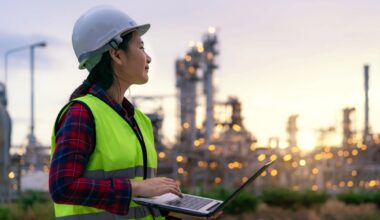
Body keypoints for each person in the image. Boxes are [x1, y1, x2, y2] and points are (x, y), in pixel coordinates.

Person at [49, 5, 182, 220]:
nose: (148, 58)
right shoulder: (81, 114)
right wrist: (136, 188)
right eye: (141, 47)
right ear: (117, 55)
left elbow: (138, 208)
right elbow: (62, 187)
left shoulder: (140, 121)